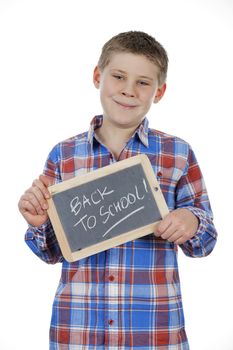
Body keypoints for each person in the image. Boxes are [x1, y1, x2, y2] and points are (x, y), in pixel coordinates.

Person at [18, 31, 217, 349]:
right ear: (98, 76)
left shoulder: (178, 153)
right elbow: (51, 252)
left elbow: (205, 242)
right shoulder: (63, 156)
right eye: (119, 77)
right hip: (79, 332)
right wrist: (40, 223)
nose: (128, 91)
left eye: (143, 82)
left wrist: (191, 221)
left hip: (153, 332)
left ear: (160, 91)